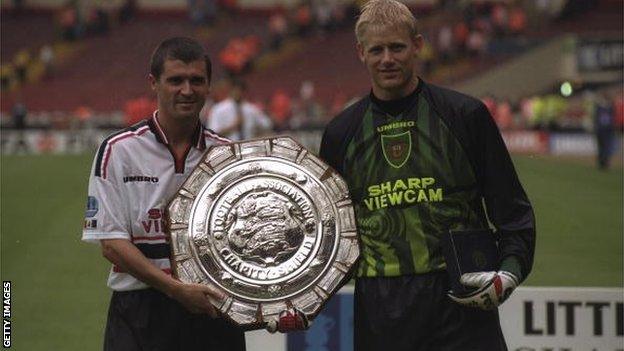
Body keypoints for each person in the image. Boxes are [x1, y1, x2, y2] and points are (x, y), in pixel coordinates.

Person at [319, 1, 536, 350]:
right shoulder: (341, 133)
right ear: (361, 53)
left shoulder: (465, 116)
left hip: (461, 298)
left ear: (417, 45)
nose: (387, 59)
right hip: (381, 307)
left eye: (397, 47)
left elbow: (511, 209)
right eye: (376, 49)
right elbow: (327, 236)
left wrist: (510, 270)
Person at [81, 37, 246, 351]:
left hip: (213, 312)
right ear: (153, 83)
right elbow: (112, 245)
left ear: (209, 86)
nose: (187, 90)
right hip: (140, 312)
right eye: (175, 80)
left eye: (197, 80)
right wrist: (175, 289)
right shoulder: (119, 151)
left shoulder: (228, 155)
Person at [207, 79, 272, 141]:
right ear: (230, 90)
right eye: (235, 90)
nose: (238, 93)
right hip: (227, 148)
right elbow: (211, 135)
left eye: (241, 90)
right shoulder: (218, 109)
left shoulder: (251, 109)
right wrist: (232, 127)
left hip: (248, 147)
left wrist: (256, 130)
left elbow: (267, 125)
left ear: (244, 92)